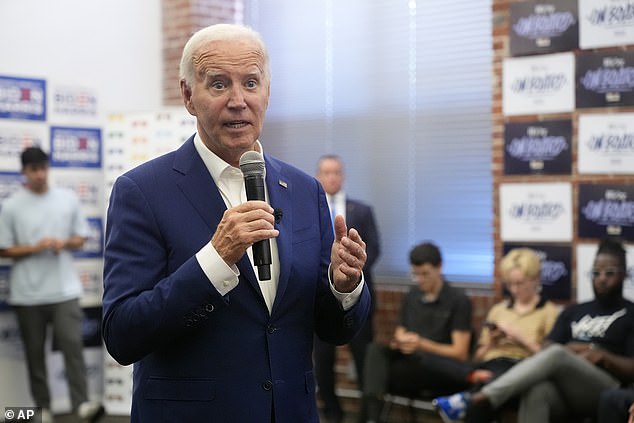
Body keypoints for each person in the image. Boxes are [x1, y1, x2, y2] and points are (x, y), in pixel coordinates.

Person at [101, 23, 371, 423]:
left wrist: (343, 287)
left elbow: (332, 330)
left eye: (250, 82)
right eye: (218, 84)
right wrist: (215, 259)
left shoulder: (303, 189)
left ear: (267, 92)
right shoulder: (141, 191)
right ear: (188, 96)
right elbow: (123, 334)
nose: (238, 100)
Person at [434, 237, 634, 422]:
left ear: (624, 274)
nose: (601, 279)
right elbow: (548, 349)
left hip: (605, 387)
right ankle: (477, 399)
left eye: (609, 273)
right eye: (595, 272)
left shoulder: (630, 313)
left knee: (557, 353)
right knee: (536, 389)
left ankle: (475, 398)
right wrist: (578, 349)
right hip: (566, 387)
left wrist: (601, 355)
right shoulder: (574, 311)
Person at [0, 147, 104, 423]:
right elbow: (3, 249)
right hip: (27, 294)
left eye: (43, 168)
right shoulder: (11, 206)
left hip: (64, 290)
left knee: (73, 348)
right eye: (34, 170)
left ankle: (81, 403)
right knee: (35, 355)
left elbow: (81, 238)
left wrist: (63, 243)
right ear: (24, 172)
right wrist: (36, 248)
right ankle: (42, 408)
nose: (40, 175)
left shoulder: (66, 199)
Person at [358, 242, 488, 423]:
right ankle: (372, 417)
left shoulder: (458, 300)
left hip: (442, 369)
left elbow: (460, 353)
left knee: (379, 374)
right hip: (410, 365)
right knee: (375, 350)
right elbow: (400, 335)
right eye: (416, 274)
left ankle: (370, 417)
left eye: (425, 274)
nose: (420, 280)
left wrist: (421, 344)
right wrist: (401, 342)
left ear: (439, 267)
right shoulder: (412, 296)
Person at [435, 247, 561, 422]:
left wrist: (520, 339)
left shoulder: (549, 312)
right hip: (490, 366)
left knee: (483, 396)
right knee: (484, 378)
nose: (514, 290)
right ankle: (469, 399)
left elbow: (552, 359)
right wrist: (492, 342)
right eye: (510, 284)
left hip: (522, 368)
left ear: (536, 279)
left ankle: (465, 400)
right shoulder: (498, 310)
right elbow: (477, 358)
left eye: (520, 283)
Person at [313, 154, 381, 423]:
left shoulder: (361, 211)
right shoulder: (310, 209)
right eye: (326, 173)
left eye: (336, 172)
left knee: (364, 360)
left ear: (343, 176)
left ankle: (367, 414)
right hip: (318, 296)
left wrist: (351, 273)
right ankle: (332, 412)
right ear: (318, 176)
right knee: (323, 363)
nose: (332, 177)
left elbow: (374, 249)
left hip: (356, 294)